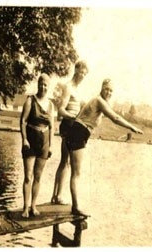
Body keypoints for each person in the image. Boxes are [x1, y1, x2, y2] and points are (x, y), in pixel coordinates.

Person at [66, 78, 143, 216]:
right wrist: (132, 127)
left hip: (78, 132)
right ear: (102, 88)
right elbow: (116, 118)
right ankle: (76, 207)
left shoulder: (99, 101)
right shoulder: (99, 101)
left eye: (111, 90)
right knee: (76, 173)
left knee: (75, 172)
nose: (108, 92)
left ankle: (74, 205)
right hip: (78, 132)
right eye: (107, 89)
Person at [51, 61, 88, 205]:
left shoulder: (78, 89)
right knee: (64, 161)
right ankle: (57, 196)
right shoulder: (68, 87)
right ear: (76, 70)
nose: (83, 76)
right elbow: (60, 110)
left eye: (85, 74)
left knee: (65, 161)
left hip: (74, 126)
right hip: (68, 125)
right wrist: (73, 117)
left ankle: (56, 195)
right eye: (81, 72)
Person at [20, 73, 54, 218]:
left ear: (48, 87)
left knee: (38, 177)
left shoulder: (51, 105)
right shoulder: (30, 100)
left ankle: (34, 206)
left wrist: (50, 145)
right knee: (28, 176)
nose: (43, 87)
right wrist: (24, 140)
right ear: (38, 84)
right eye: (41, 84)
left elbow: (52, 126)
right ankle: (25, 207)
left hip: (44, 144)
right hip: (30, 142)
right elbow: (23, 121)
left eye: (46, 84)